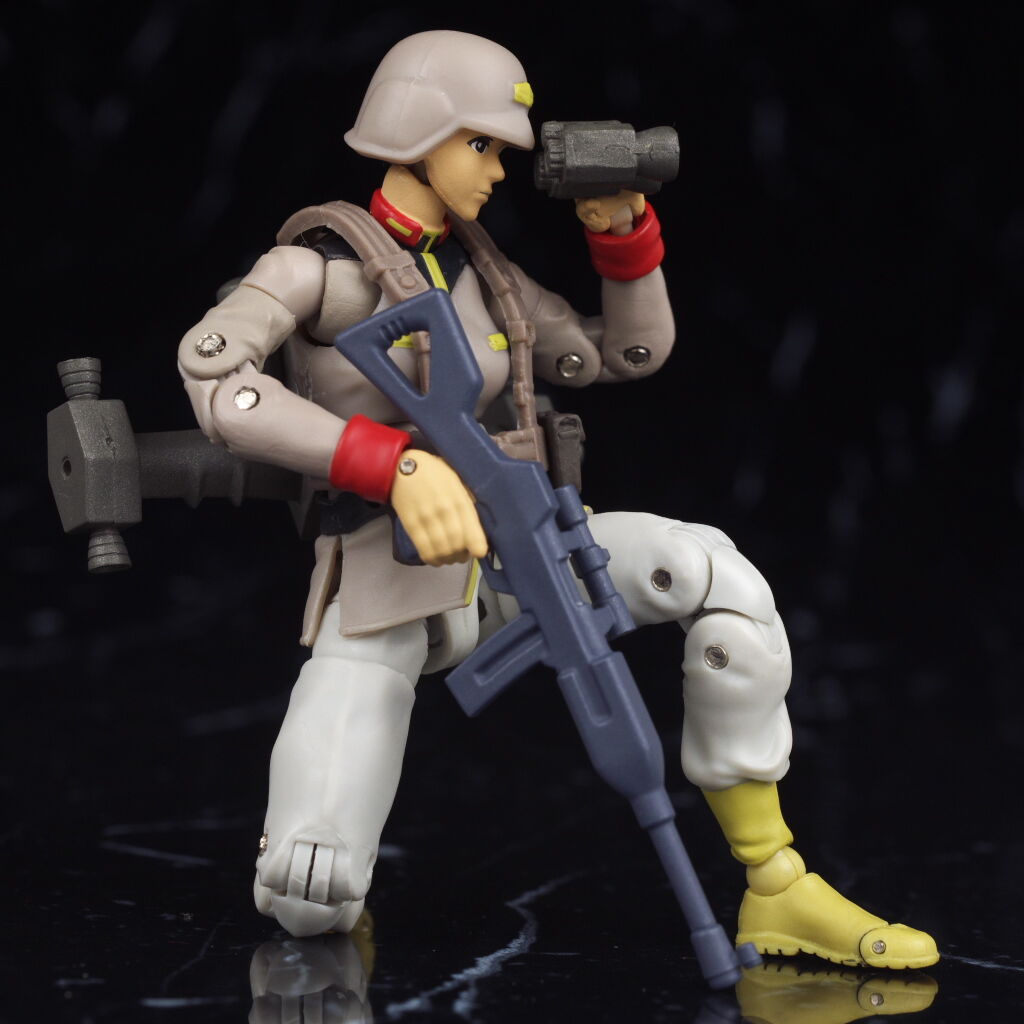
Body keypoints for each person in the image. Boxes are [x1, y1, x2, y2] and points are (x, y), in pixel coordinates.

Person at [177, 30, 937, 969]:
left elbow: (624, 353)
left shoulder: (489, 278)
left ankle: (777, 885)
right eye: (481, 145)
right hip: (387, 582)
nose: (499, 171)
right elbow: (217, 380)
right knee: (309, 888)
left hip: (520, 551)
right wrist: (392, 465)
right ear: (417, 134)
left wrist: (622, 237)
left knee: (716, 578)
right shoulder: (316, 269)